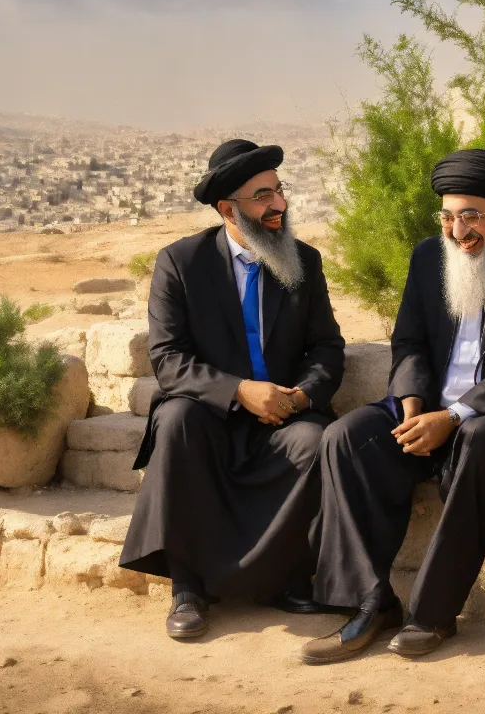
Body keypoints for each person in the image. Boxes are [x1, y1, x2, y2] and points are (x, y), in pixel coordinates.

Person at [300, 149, 485, 665]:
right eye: (450, 217)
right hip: (430, 410)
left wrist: (454, 416)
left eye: (473, 216)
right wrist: (411, 403)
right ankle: (370, 602)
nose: (459, 232)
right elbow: (407, 341)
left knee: (479, 438)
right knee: (347, 436)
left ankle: (432, 615)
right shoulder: (428, 257)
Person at [119, 138, 346, 640]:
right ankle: (189, 588)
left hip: (285, 410)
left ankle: (280, 581)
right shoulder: (181, 262)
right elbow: (168, 358)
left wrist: (302, 396)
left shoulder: (303, 262)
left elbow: (327, 347)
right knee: (175, 422)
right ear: (228, 209)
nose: (279, 206)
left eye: (279, 192)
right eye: (263, 196)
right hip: (210, 409)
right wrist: (241, 391)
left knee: (317, 442)